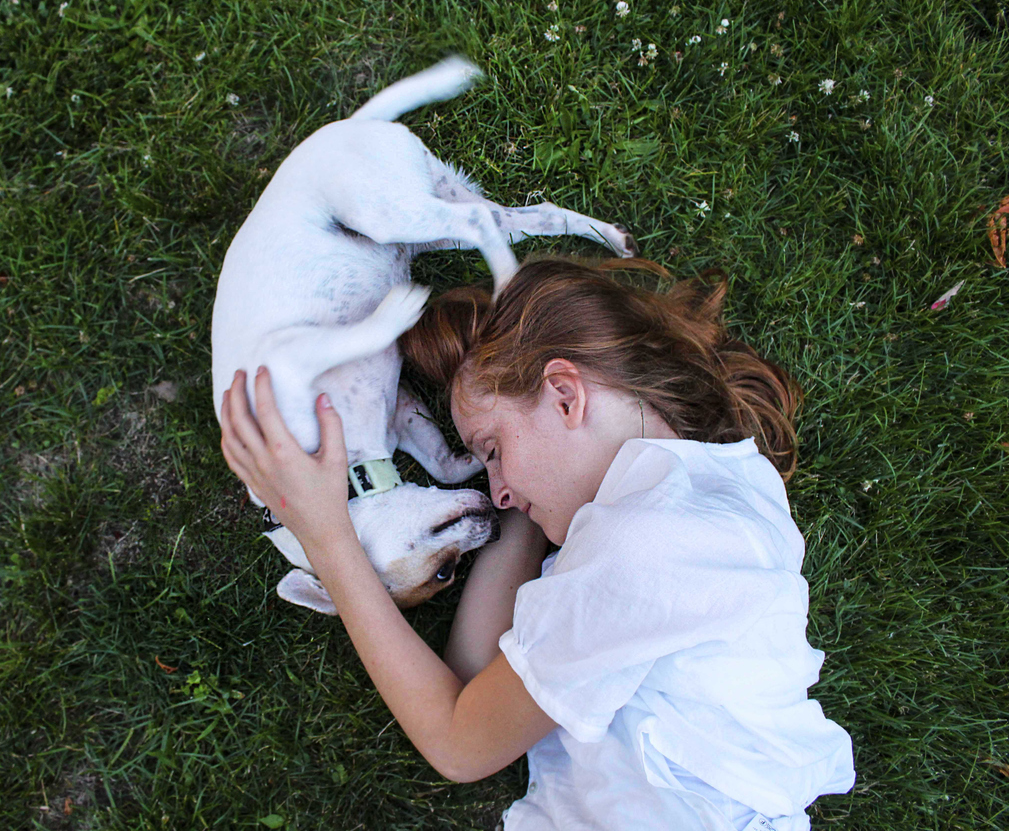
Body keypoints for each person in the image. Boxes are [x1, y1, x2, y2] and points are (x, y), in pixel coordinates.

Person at [219, 256, 855, 830]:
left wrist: (327, 535)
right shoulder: (707, 497)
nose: (494, 490)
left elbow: (460, 742)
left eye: (492, 450)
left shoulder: (647, 544)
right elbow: (476, 687)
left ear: (565, 396)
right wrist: (531, 499)